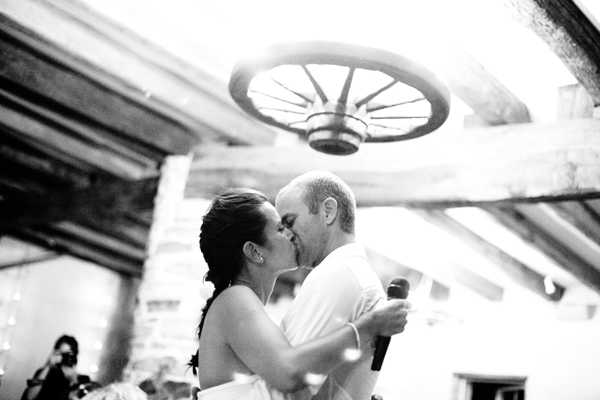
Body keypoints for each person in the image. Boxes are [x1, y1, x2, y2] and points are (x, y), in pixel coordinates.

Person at [189, 188, 409, 400]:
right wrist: (371, 325)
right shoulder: (234, 299)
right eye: (280, 228)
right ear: (254, 251)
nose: (291, 234)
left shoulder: (241, 306)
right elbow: (289, 373)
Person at [275, 171, 396, 400]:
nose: (285, 235)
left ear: (328, 212)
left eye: (289, 222)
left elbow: (287, 386)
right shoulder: (347, 272)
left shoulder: (338, 273)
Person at [22, 334, 87, 400]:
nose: (66, 358)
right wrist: (48, 365)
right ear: (55, 352)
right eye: (62, 354)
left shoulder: (83, 380)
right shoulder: (45, 374)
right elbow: (29, 397)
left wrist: (74, 381)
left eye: (68, 354)